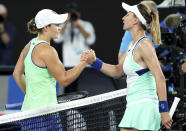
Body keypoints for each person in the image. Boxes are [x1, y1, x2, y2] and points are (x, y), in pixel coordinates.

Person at [90, 1, 173, 130]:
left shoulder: (145, 45)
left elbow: (160, 77)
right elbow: (118, 71)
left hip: (145, 107)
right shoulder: (131, 45)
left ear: (136, 20)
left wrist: (164, 110)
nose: (123, 18)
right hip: (133, 106)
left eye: (127, 14)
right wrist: (94, 62)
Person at [13, 9, 95, 111]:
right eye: (56, 25)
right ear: (46, 27)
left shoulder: (29, 46)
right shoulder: (48, 51)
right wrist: (85, 62)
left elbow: (17, 73)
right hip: (45, 115)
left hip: (27, 111)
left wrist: (32, 96)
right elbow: (64, 79)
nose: (59, 28)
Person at [53, 1, 96, 67]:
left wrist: (80, 28)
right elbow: (57, 40)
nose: (72, 15)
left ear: (79, 13)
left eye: (74, 13)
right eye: (70, 13)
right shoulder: (62, 26)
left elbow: (91, 41)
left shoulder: (86, 25)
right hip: (69, 63)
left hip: (85, 63)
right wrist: (66, 23)